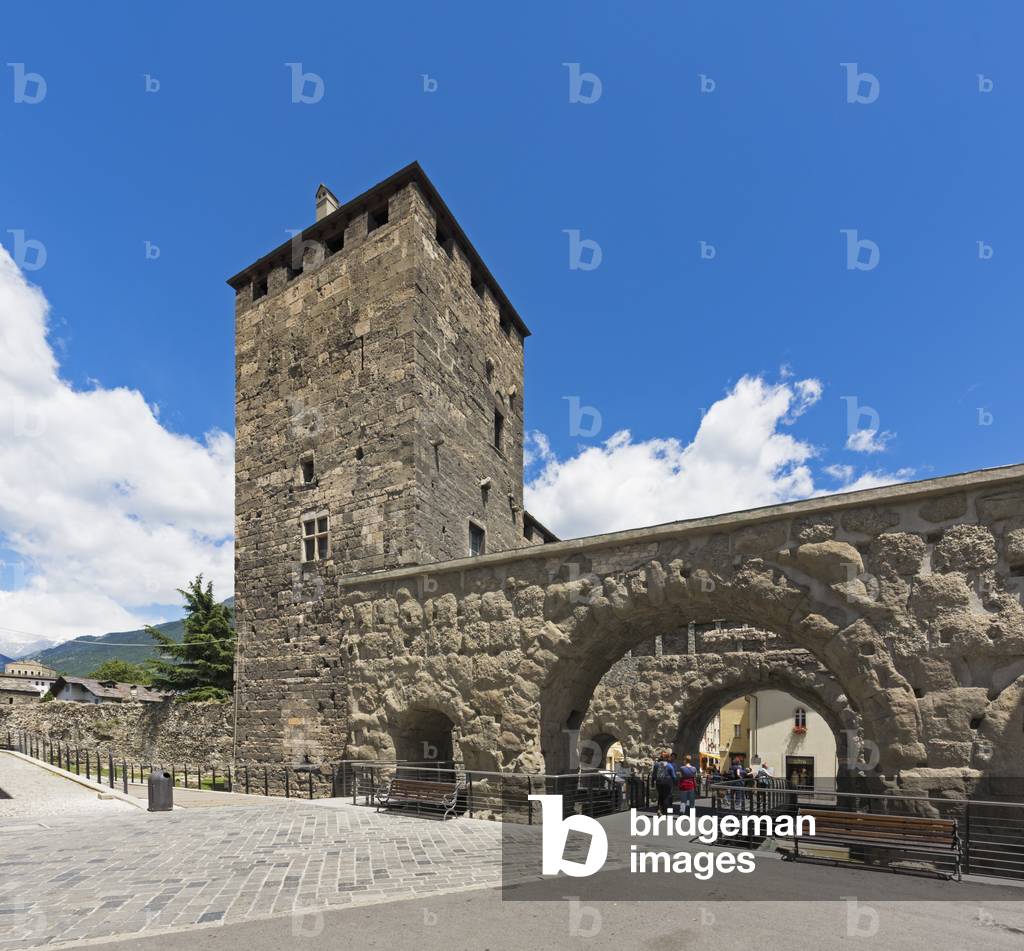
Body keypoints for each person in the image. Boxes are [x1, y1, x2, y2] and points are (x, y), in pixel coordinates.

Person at [652, 750, 677, 816]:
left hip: (659, 782)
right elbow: (673, 775)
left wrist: (652, 781)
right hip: (667, 782)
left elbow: (654, 774)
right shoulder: (669, 765)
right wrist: (675, 782)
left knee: (660, 796)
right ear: (667, 758)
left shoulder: (656, 764)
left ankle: (659, 809)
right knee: (666, 796)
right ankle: (664, 812)